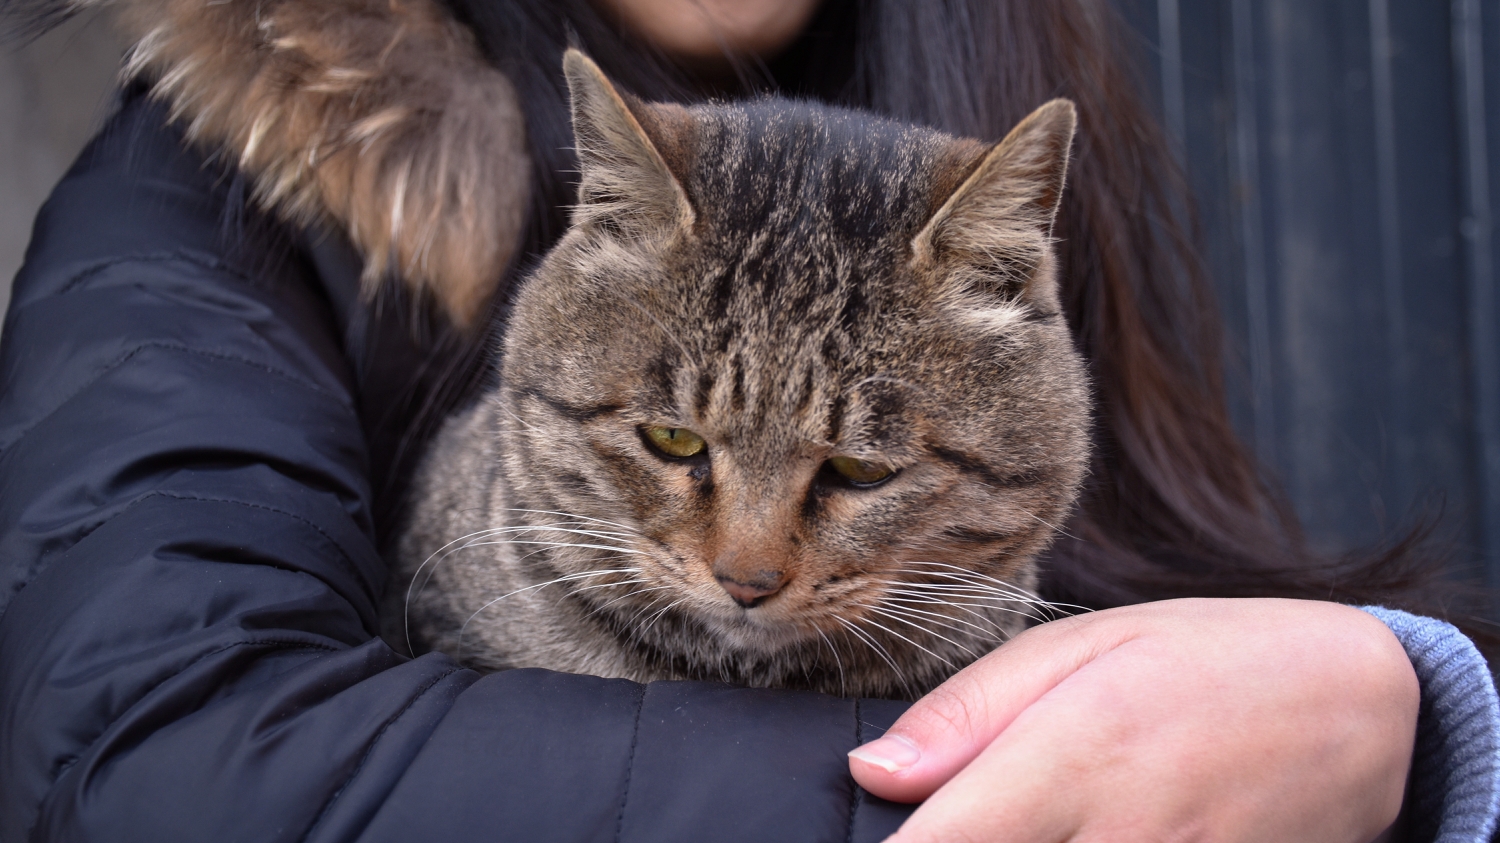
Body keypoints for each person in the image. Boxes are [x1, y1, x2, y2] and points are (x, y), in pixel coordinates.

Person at [0, 0, 1494, 840]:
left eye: (845, 471)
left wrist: (1418, 719)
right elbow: (155, 774)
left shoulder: (981, 118)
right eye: (677, 451)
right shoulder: (188, 201)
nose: (751, 563)